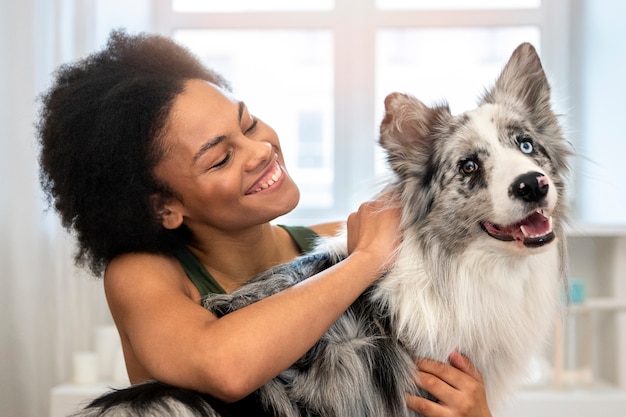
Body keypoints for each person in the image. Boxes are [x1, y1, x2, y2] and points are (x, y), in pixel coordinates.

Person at [37, 30, 492, 417]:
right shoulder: (144, 275)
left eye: (249, 123)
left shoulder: (339, 239)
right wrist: (366, 260)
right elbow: (225, 367)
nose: (260, 151)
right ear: (164, 208)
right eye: (220, 159)